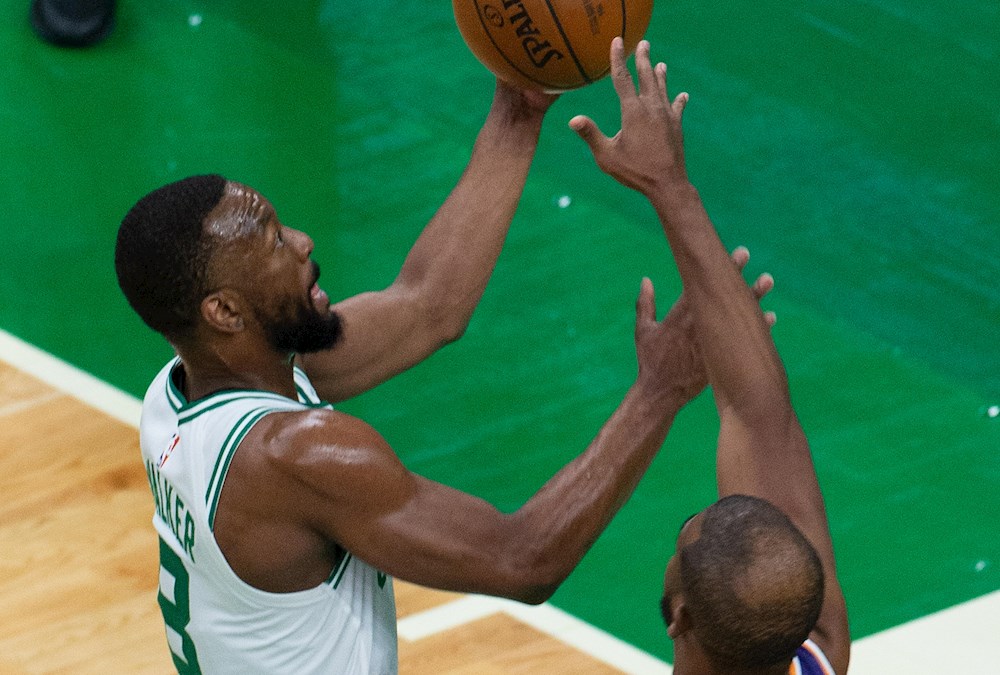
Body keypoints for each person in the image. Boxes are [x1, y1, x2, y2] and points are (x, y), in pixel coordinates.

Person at [115, 75, 774, 673]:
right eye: (270, 241)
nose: (302, 240)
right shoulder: (297, 457)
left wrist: (518, 110)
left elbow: (428, 303)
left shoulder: (182, 391)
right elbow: (524, 559)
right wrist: (658, 390)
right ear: (225, 310)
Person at [569, 38, 851, 674]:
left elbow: (523, 560)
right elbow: (758, 410)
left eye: (686, 539)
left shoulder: (827, 649)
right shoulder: (819, 661)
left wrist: (666, 185)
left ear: (680, 615)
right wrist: (672, 190)